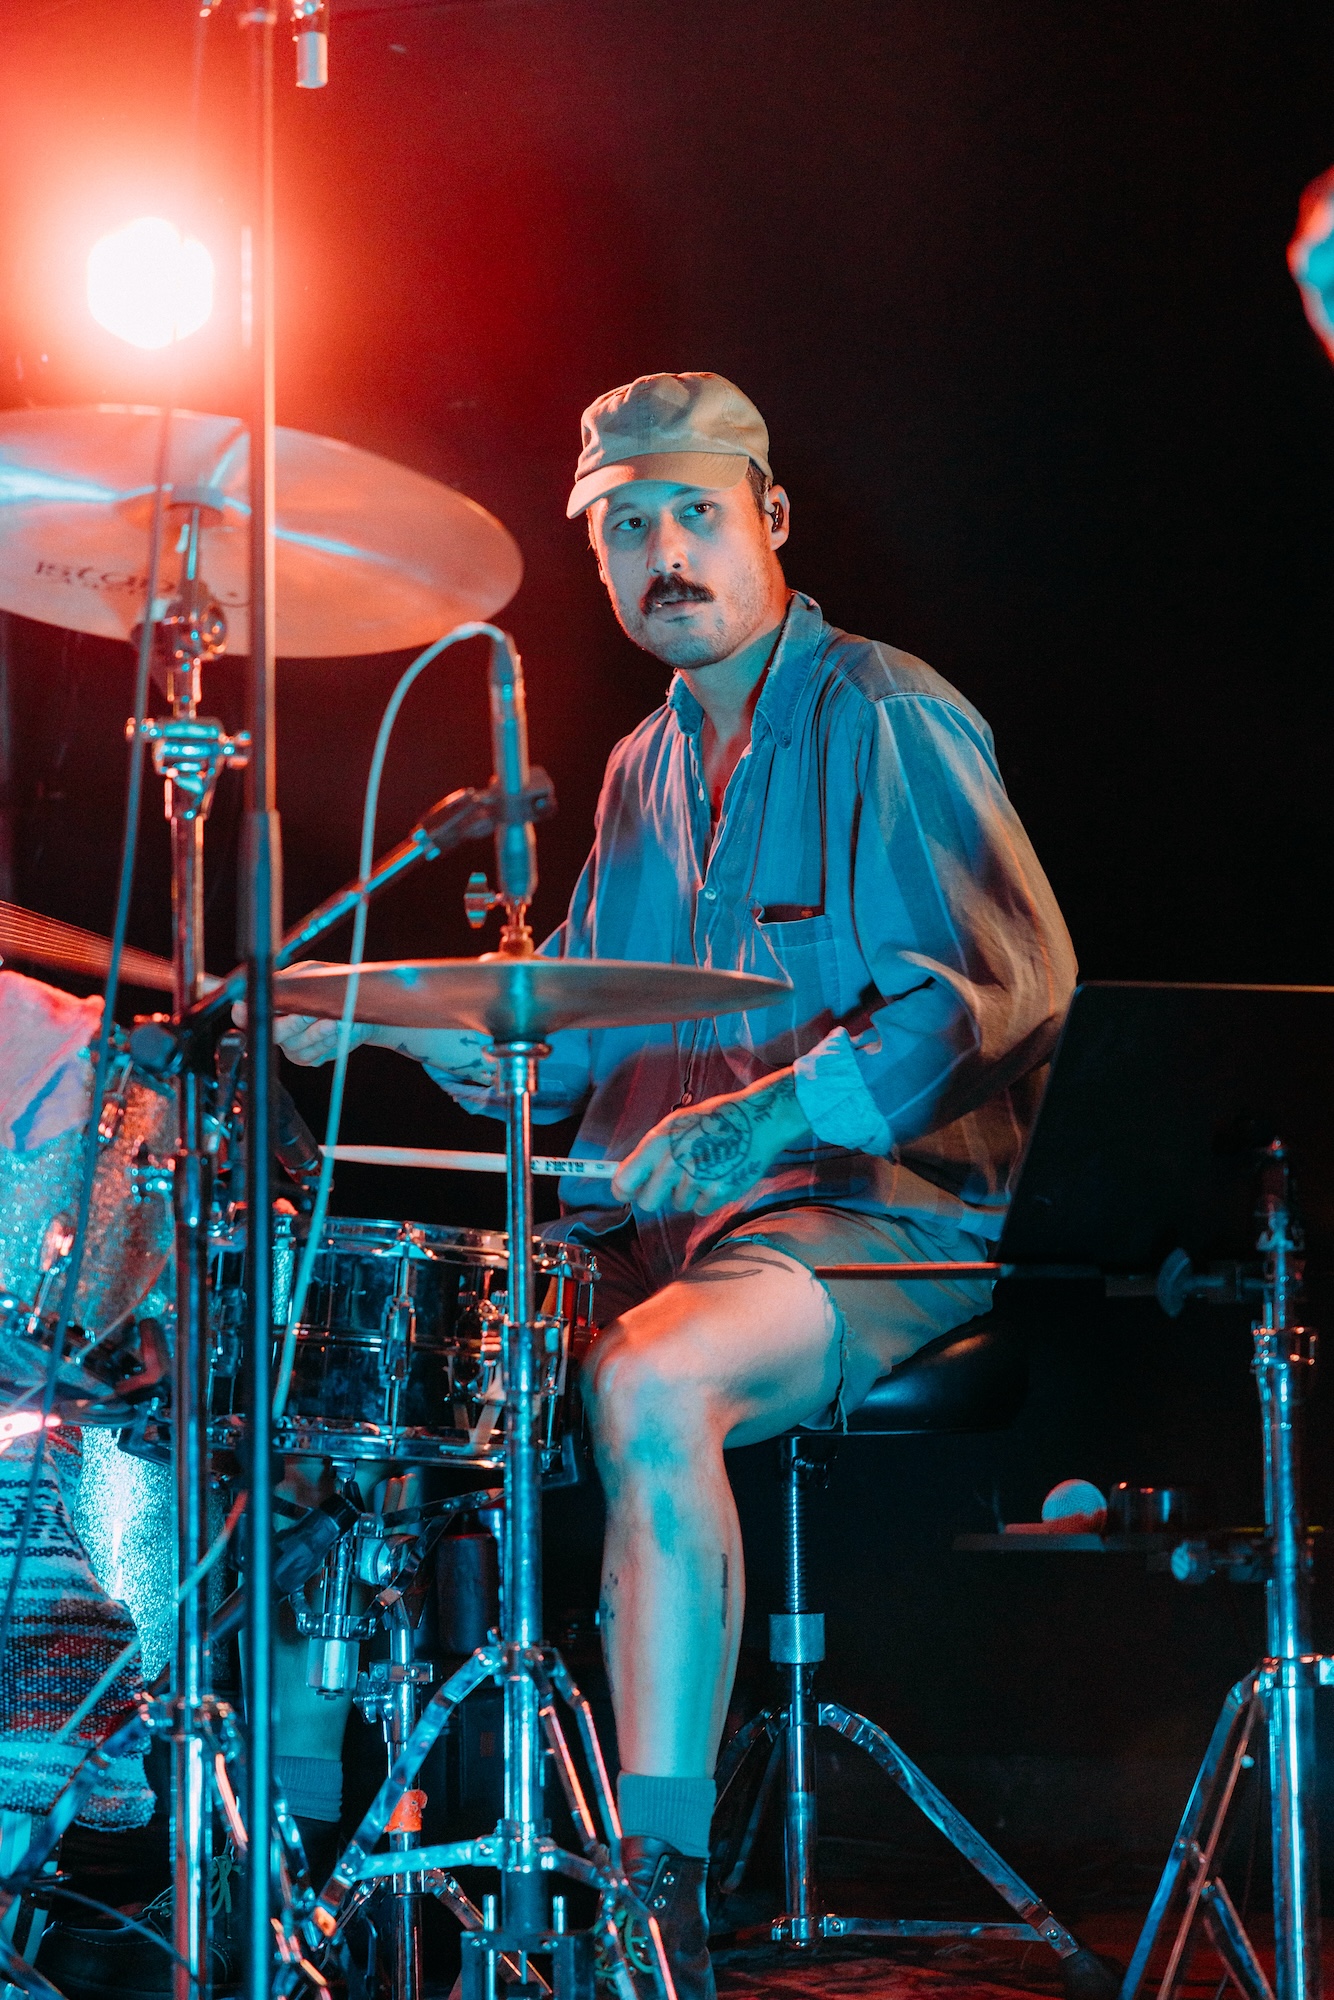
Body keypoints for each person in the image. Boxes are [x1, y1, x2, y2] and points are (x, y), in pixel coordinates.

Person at [276, 371, 1077, 1997]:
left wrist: (756, 1124)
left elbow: (1000, 991)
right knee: (345, 1389)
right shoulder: (641, 764)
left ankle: (657, 1895)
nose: (665, 554)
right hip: (659, 1236)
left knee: (647, 1385)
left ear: (769, 519)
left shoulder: (883, 713)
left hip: (877, 1225)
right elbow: (566, 1049)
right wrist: (375, 1023)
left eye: (694, 515)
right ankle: (296, 1863)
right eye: (626, 528)